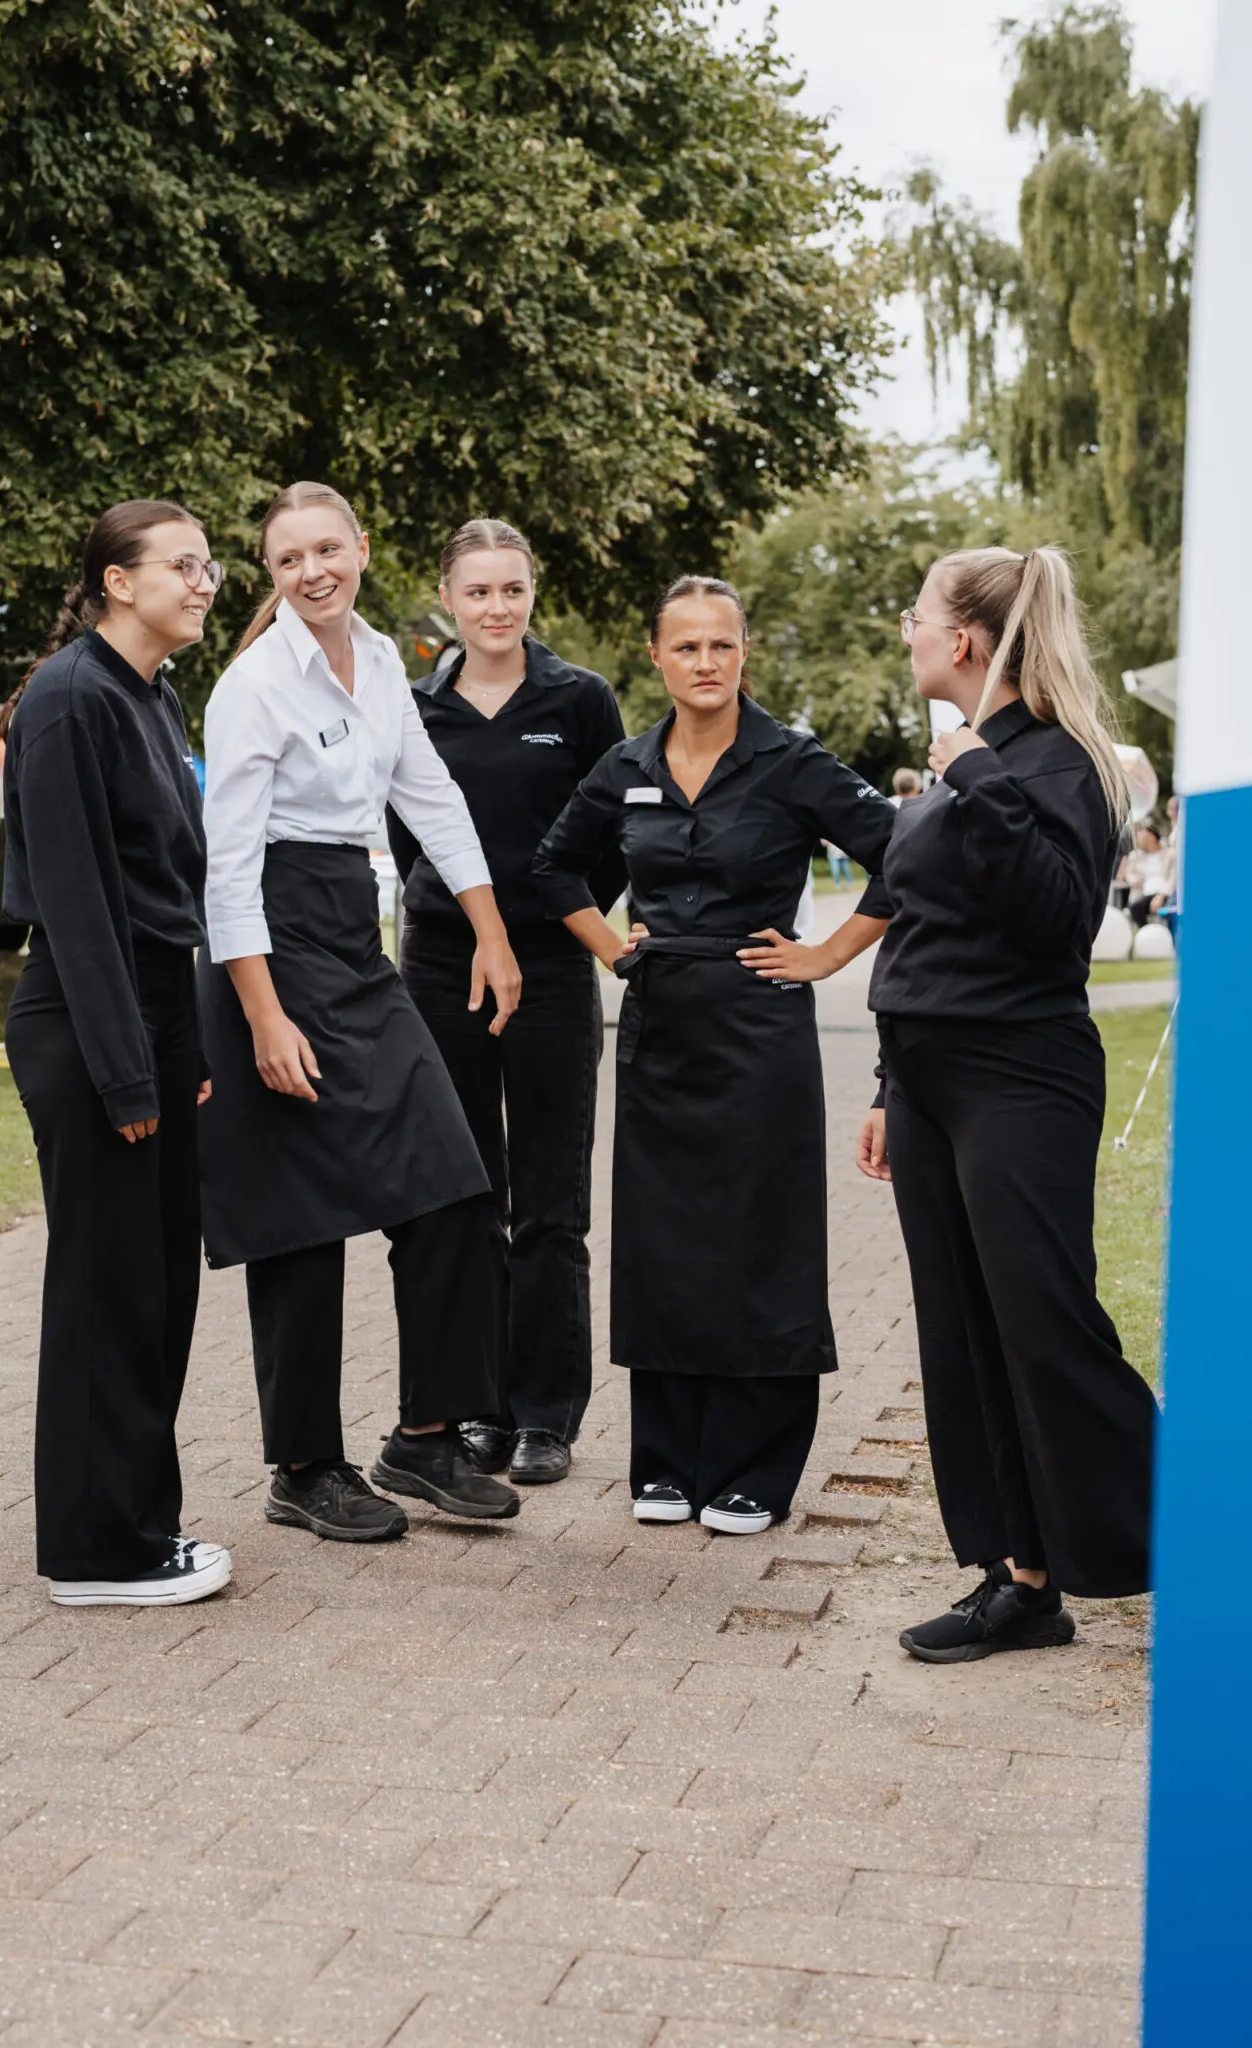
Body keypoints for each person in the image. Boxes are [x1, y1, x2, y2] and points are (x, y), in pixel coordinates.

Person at [535, 576, 897, 1535]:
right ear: (655, 656)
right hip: (660, 1027)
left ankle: (754, 1466)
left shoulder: (791, 761)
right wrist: (610, 948)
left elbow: (904, 857)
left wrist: (826, 954)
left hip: (760, 1026)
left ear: (744, 653)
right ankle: (664, 1459)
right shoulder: (625, 764)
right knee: (663, 1243)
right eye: (686, 646)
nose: (705, 662)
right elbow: (554, 866)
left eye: (721, 645)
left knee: (758, 1240)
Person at [197, 481, 522, 1543]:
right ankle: (304, 1467)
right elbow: (227, 869)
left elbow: (430, 797)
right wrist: (261, 1016)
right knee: (300, 1218)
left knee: (450, 1184)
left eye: (326, 549)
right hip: (268, 944)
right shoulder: (253, 685)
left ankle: (425, 1435)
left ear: (363, 549)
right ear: (271, 572)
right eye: (289, 558)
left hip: (351, 932)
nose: (312, 571)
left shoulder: (382, 661)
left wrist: (490, 930)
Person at [858, 545, 1158, 1662]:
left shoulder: (1057, 760)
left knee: (1046, 1325)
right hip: (928, 1080)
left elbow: (1056, 916)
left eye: (916, 612)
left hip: (1019, 1075)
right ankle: (1020, 1580)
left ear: (965, 639)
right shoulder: (959, 761)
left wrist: (979, 774)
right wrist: (887, 1086)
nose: (906, 629)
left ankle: (1202, 1532)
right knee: (964, 1332)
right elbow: (924, 929)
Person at [0, 500, 231, 1607]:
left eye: (208, 564)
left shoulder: (152, 694)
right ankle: (95, 1552)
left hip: (154, 1008)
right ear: (117, 582)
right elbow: (80, 903)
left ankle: (141, 1523)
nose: (204, 581)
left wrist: (184, 1041)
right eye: (183, 564)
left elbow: (171, 885)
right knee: (107, 1290)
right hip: (89, 1016)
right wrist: (126, 1067)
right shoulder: (68, 698)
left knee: (157, 1287)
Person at [388, 519, 626, 1486]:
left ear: (533, 594)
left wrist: (559, 918)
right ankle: (478, 1409)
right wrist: (456, 914)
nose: (497, 608)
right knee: (464, 1195)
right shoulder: (410, 706)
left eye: (512, 590)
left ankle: (544, 1417)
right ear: (447, 598)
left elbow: (613, 833)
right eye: (478, 591)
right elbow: (407, 836)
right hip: (441, 968)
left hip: (553, 970)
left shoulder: (580, 699)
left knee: (549, 1204)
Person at [1121, 820, 1174, 928]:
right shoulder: (1135, 856)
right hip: (1144, 894)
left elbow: (1173, 880)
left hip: (1165, 894)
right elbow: (1128, 875)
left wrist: (1161, 896)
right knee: (1135, 907)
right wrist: (1133, 880)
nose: (1136, 839)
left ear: (1151, 834)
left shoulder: (1170, 855)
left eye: (1139, 833)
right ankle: (1147, 932)